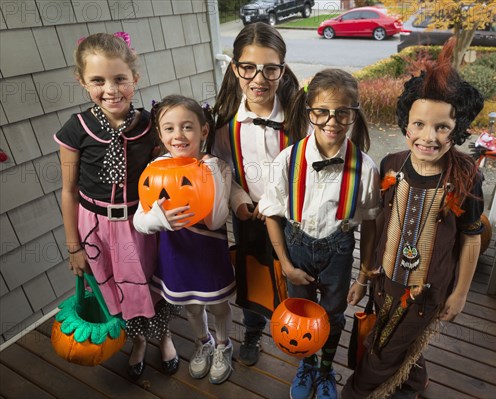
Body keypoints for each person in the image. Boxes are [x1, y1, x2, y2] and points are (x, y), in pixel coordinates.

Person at [341, 39, 485, 399]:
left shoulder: (467, 177)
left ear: (459, 128)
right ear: (405, 123)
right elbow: (374, 222)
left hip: (426, 290)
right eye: (419, 124)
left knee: (382, 352)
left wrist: (462, 293)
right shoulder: (391, 165)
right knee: (392, 343)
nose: (428, 136)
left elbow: (470, 236)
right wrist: (365, 271)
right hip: (384, 279)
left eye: (441, 127)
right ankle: (415, 388)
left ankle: (356, 393)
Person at [54, 32, 179, 380]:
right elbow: (68, 190)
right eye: (98, 80)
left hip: (140, 223)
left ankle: (164, 336)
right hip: (96, 229)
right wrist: (73, 246)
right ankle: (137, 339)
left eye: (120, 79)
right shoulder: (76, 129)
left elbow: (166, 172)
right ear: (82, 82)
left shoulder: (150, 125)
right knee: (117, 288)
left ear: (134, 79)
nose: (111, 89)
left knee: (151, 281)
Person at [259, 68, 381, 399]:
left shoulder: (365, 168)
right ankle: (308, 364)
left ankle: (326, 368)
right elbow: (271, 213)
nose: (332, 121)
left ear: (354, 113)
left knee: (333, 314)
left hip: (339, 251)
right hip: (296, 247)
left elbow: (371, 223)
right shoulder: (288, 160)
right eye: (322, 112)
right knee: (299, 311)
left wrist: (363, 277)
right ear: (309, 110)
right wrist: (284, 262)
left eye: (343, 112)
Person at [212, 22, 300, 367]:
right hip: (248, 215)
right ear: (235, 69)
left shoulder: (298, 119)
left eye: (270, 68)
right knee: (254, 273)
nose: (259, 79)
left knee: (293, 272)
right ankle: (252, 328)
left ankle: (297, 324)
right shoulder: (226, 124)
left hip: (292, 217)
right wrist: (238, 199)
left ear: (282, 69)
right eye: (248, 68)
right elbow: (222, 169)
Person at [133, 95, 236, 384]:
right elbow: (139, 220)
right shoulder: (155, 170)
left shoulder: (218, 167)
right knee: (191, 306)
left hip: (208, 252)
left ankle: (223, 344)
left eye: (187, 127)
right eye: (169, 128)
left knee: (217, 305)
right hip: (175, 254)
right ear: (160, 133)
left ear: (204, 131)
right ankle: (202, 341)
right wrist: (158, 219)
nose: (178, 135)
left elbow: (215, 220)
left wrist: (213, 174)